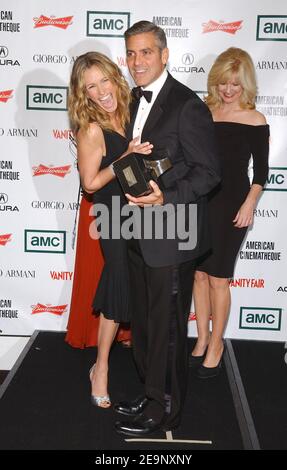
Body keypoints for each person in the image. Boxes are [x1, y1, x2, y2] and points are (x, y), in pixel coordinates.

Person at [114, 21, 220, 436]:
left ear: (164, 54)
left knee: (168, 331)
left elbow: (209, 173)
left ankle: (166, 409)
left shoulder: (185, 104)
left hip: (172, 236)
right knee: (144, 325)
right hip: (139, 234)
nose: (137, 61)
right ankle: (151, 393)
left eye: (146, 53)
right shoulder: (132, 100)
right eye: (132, 54)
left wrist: (165, 199)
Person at [68, 51, 153, 408]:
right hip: (112, 215)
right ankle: (100, 368)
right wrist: (123, 158)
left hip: (143, 209)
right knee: (118, 282)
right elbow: (90, 183)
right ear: (83, 93)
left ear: (114, 78)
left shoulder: (131, 111)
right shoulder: (91, 128)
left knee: (139, 282)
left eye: (104, 80)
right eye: (91, 86)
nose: (101, 91)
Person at [190, 47, 269, 378]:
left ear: (245, 84)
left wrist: (250, 202)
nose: (227, 90)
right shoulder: (204, 112)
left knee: (219, 278)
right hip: (200, 201)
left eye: (235, 84)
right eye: (223, 82)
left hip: (233, 205)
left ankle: (218, 343)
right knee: (198, 274)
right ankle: (203, 336)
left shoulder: (255, 120)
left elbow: (261, 173)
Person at [65, 191, 131, 349]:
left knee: (126, 267)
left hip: (130, 201)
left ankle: (126, 330)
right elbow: (88, 182)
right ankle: (90, 332)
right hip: (98, 202)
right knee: (94, 268)